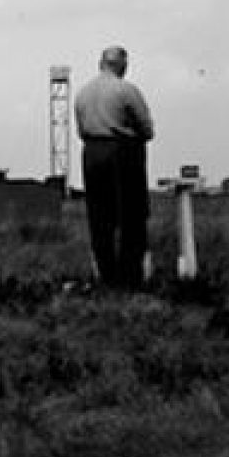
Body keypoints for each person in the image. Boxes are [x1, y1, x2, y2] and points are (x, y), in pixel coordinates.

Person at [73, 45, 155, 290]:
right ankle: (130, 278)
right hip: (123, 152)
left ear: (101, 64)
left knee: (99, 218)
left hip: (92, 153)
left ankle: (106, 276)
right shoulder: (127, 90)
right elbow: (146, 129)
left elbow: (81, 130)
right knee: (131, 216)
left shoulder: (83, 93)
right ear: (123, 65)